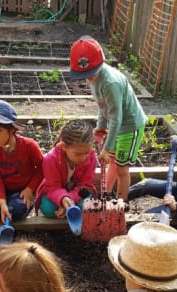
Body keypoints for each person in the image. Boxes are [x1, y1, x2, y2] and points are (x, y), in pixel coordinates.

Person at [69, 36, 147, 202]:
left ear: (101, 63)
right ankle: (105, 195)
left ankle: (121, 204)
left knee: (121, 168)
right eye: (85, 74)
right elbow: (102, 106)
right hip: (116, 125)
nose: (88, 77)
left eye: (90, 73)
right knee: (112, 162)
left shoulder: (110, 83)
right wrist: (100, 128)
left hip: (129, 126)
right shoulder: (94, 79)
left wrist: (107, 147)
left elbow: (116, 118)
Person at [0, 99, 44, 223]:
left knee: (16, 210)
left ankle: (25, 203)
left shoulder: (29, 146)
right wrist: (2, 202)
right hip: (0, 187)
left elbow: (42, 168)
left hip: (22, 188)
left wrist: (30, 189)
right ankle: (6, 204)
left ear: (11, 130)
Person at [35, 120, 97, 219]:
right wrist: (63, 199)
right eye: (78, 154)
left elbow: (85, 185)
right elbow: (52, 187)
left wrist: (70, 199)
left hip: (79, 193)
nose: (83, 158)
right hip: (56, 192)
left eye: (87, 152)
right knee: (48, 209)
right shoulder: (51, 159)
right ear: (64, 147)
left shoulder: (91, 156)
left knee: (86, 206)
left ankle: (70, 210)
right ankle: (70, 210)